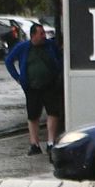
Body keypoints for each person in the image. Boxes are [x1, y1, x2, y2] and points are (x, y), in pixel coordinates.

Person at [19, 21, 64, 151]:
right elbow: (9, 60)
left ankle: (51, 142)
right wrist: (18, 77)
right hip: (32, 87)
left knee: (53, 112)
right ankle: (34, 144)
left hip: (49, 85)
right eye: (41, 33)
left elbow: (60, 58)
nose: (44, 36)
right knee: (33, 115)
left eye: (44, 33)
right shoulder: (24, 47)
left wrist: (57, 72)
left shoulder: (50, 45)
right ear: (33, 35)